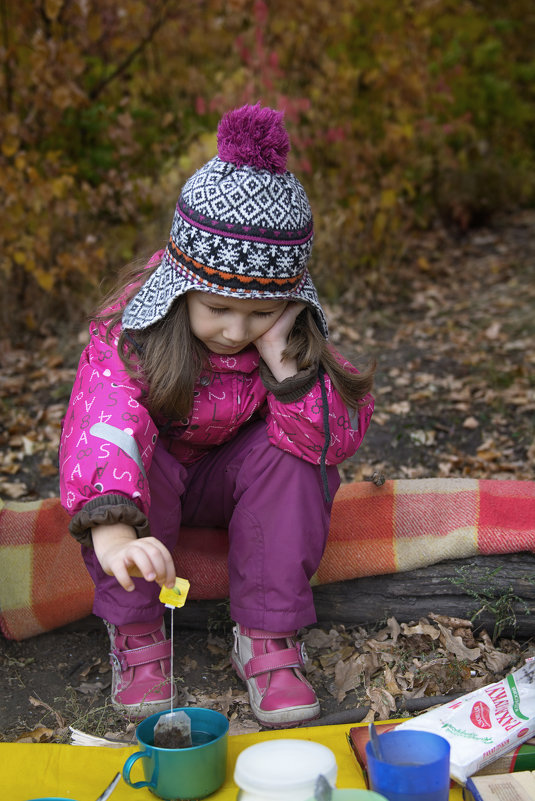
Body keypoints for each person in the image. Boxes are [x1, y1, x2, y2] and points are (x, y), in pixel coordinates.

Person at [59, 103, 375, 728]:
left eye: (259, 313)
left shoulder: (286, 336)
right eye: (218, 310)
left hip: (237, 482)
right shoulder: (137, 331)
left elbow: (335, 439)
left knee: (294, 455)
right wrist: (116, 526)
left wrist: (283, 357)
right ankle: (138, 633)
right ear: (181, 289)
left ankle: (267, 638)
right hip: (156, 481)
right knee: (136, 453)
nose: (235, 331)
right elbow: (105, 419)